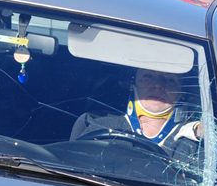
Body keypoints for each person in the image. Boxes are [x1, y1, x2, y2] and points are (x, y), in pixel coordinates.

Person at [70, 67, 203, 159]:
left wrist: (203, 132)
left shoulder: (192, 143)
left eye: (170, 80)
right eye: (148, 76)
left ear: (182, 93)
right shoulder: (97, 125)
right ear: (133, 84)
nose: (158, 85)